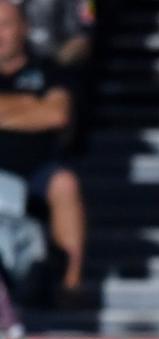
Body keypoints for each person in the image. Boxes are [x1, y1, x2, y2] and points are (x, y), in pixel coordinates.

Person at [0, 0, 83, 296]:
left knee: (64, 182)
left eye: (6, 25)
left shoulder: (48, 71)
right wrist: (27, 106)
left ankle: (69, 287)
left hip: (34, 172)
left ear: (24, 28)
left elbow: (56, 114)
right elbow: (42, 111)